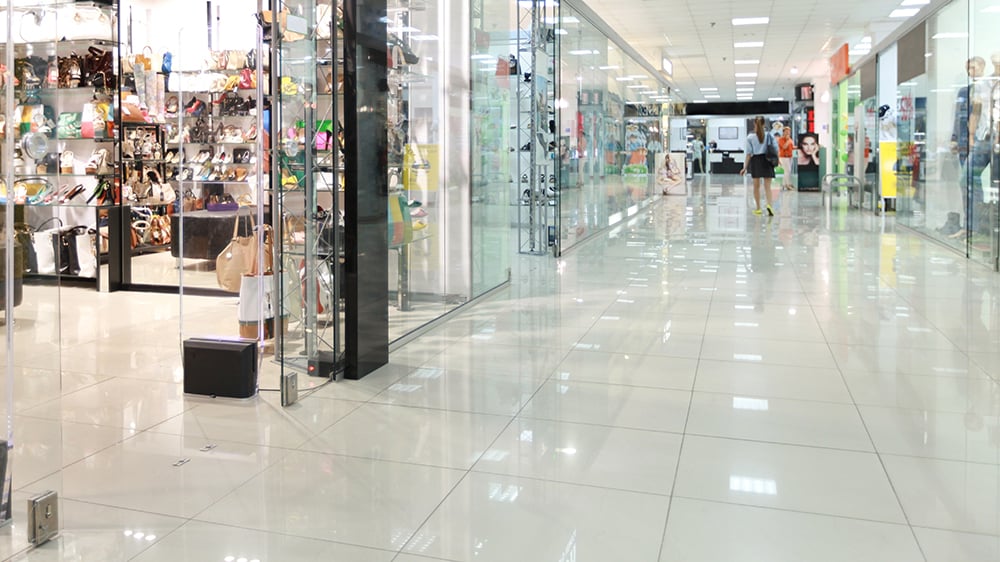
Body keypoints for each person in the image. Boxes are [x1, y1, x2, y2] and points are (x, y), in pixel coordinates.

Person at [741, 115, 777, 216]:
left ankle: (758, 208)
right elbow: (775, 149)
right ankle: (769, 205)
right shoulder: (769, 135)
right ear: (764, 124)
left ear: (754, 124)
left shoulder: (750, 137)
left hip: (756, 161)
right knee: (768, 187)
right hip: (767, 160)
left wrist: (744, 167)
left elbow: (748, 153)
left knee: (756, 186)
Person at [778, 126, 795, 190]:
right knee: (787, 170)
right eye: (786, 131)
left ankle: (784, 184)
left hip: (790, 156)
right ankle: (787, 184)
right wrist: (788, 140)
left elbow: (792, 147)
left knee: (787, 171)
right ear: (783, 132)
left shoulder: (790, 139)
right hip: (783, 157)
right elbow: (784, 147)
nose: (788, 132)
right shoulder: (781, 139)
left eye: (789, 131)